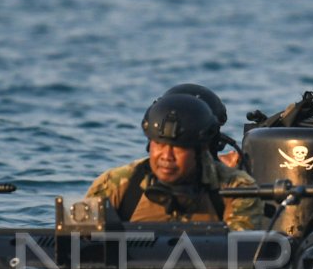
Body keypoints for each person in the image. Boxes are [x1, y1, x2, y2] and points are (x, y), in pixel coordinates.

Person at [84, 89, 261, 231]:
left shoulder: (236, 188)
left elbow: (243, 253)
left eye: (179, 148)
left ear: (200, 150)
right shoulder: (116, 184)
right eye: (159, 144)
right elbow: (75, 246)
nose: (167, 156)